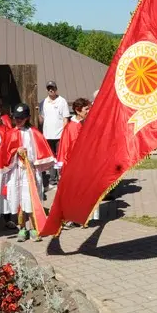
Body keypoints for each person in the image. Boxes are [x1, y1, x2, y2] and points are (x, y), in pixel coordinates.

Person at [0, 103, 55, 242]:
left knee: (31, 198)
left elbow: (40, 153)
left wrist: (29, 156)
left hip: (30, 171)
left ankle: (33, 228)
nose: (18, 120)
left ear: (27, 118)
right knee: (19, 199)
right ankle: (22, 228)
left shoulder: (34, 133)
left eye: (21, 118)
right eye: (16, 118)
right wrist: (16, 152)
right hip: (16, 172)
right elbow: (3, 153)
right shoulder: (10, 133)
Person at [55, 98, 91, 229]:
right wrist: (63, 166)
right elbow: (64, 148)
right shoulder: (70, 127)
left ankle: (80, 217)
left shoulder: (85, 124)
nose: (88, 111)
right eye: (86, 109)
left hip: (83, 164)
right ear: (78, 110)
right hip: (72, 165)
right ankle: (68, 219)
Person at [38, 80, 70, 186]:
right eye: (49, 88)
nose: (51, 90)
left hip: (59, 134)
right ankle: (52, 178)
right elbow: (41, 119)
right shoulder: (43, 102)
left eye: (52, 88)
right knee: (51, 158)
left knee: (60, 157)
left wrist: (64, 133)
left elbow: (65, 118)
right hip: (47, 135)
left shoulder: (62, 101)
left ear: (56, 89)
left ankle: (61, 176)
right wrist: (37, 113)